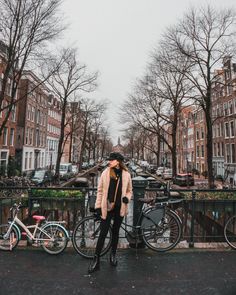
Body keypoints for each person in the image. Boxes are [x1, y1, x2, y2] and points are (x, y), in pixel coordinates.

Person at [88, 152, 133, 274]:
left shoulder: (127, 175)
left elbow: (129, 191)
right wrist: (98, 206)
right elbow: (100, 191)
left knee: (115, 232)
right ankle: (96, 260)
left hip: (120, 207)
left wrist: (127, 198)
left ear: (118, 161)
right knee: (103, 233)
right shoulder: (105, 173)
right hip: (107, 207)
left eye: (111, 160)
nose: (109, 162)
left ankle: (113, 255)